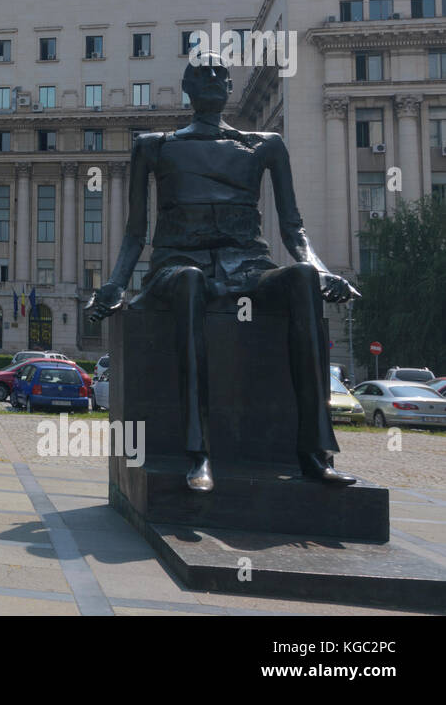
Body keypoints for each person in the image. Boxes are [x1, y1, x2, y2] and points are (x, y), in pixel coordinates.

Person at [86, 54, 360, 492]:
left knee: (302, 280)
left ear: (231, 87)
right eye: (201, 74)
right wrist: (114, 285)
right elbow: (135, 232)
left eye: (219, 74)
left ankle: (314, 452)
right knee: (191, 283)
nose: (211, 79)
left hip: (248, 265)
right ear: (187, 89)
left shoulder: (265, 144)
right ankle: (198, 453)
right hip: (178, 265)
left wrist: (322, 270)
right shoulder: (154, 145)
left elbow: (294, 228)